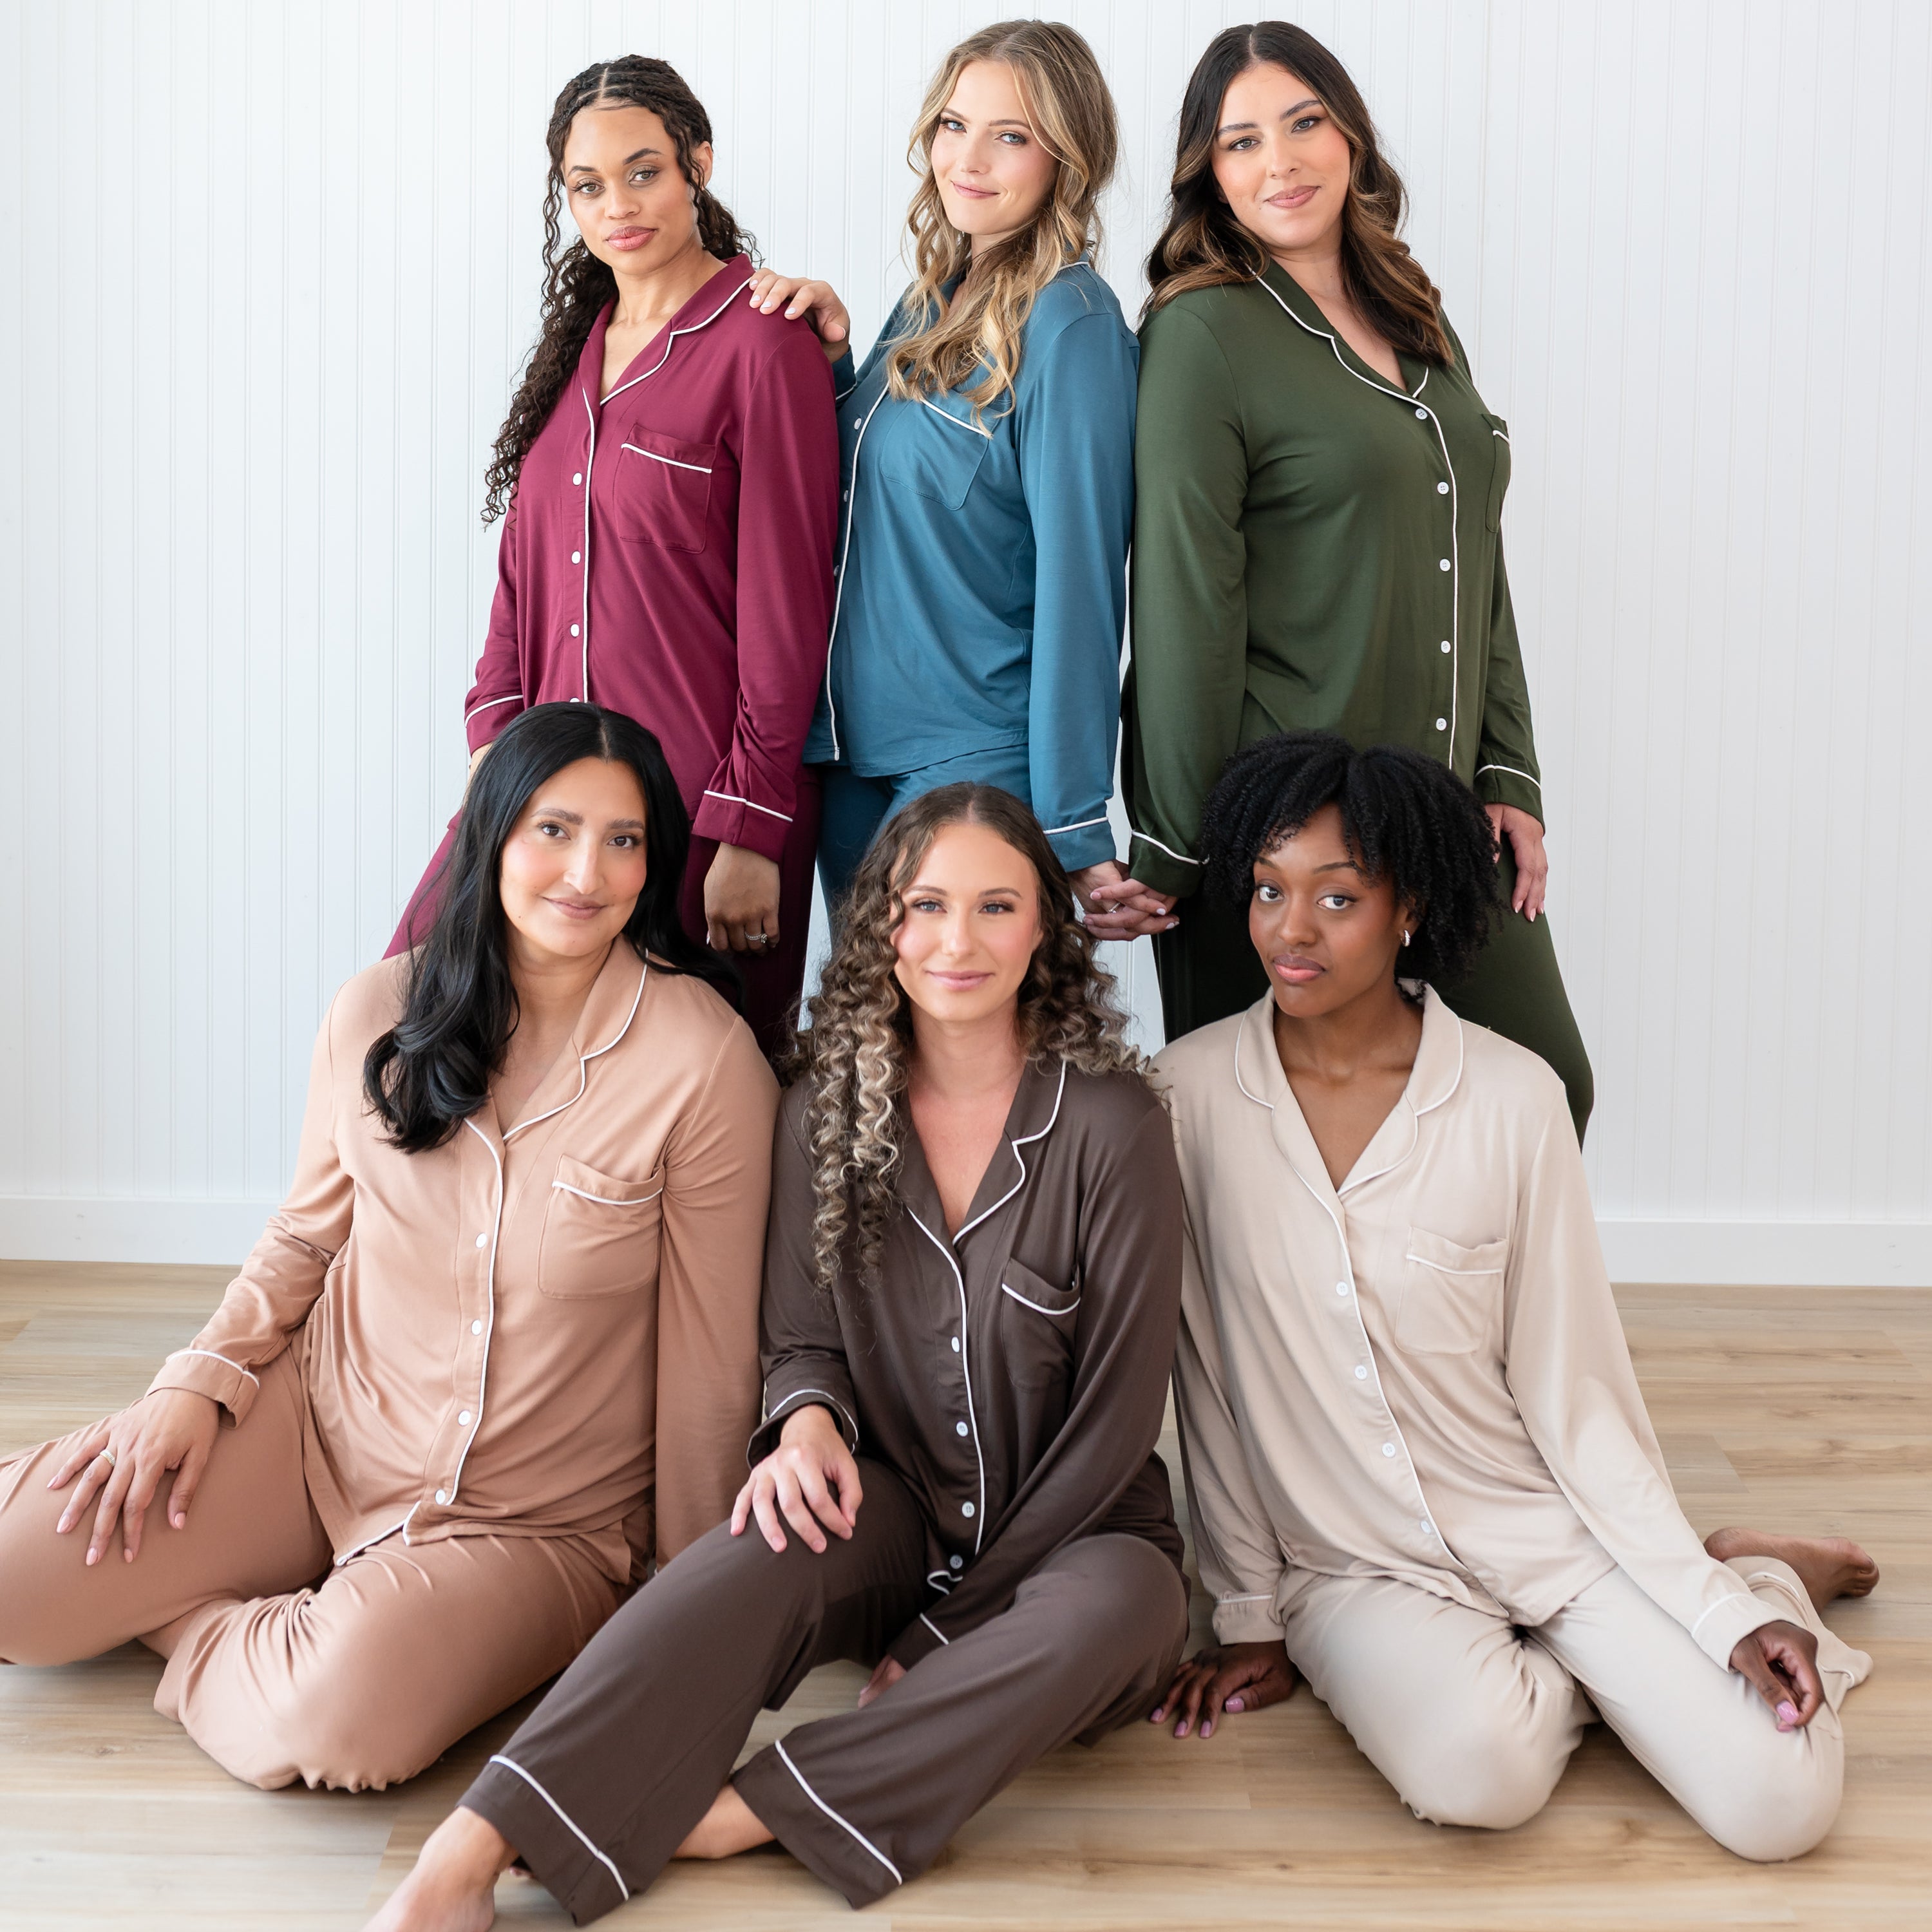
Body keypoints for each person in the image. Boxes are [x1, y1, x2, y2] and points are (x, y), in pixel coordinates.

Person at [368, 784, 1189, 1927]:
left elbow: (1115, 1422)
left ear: (1046, 930)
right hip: (895, 1503)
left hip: (1082, 1541)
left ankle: (745, 1814)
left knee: (1127, 1609)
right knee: (752, 1540)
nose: (958, 943)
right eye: (927, 907)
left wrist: (955, 1628)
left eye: (997, 908)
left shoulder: (1115, 1126)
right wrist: (803, 1424)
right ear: (881, 930)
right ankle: (474, 1843)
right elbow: (802, 1338)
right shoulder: (818, 1108)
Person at [0, 703, 777, 1792]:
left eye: (624, 839)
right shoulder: (379, 1010)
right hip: (318, 1437)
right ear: (491, 833)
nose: (585, 872)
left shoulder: (705, 1063)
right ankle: (270, 1611)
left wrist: (692, 1625)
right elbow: (304, 1236)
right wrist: (193, 1383)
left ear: (654, 865)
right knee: (12, 1586)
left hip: (531, 1529)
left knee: (341, 1724)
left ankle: (191, 1630)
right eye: (553, 830)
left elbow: (708, 1368)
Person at [1150, 730, 1876, 1861]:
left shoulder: (1512, 1099)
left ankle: (1754, 1576)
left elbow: (1577, 1391)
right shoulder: (1185, 1099)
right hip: (1353, 1567)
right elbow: (1206, 1376)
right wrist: (1247, 1610)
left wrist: (1710, 1611)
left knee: (1782, 1804)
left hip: (1551, 1531)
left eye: (1336, 899)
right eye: (1267, 891)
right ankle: (1648, 1647)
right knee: (1478, 1774)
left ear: (1410, 909)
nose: (1289, 933)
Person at [1119, 21, 1591, 1136]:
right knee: (1259, 1135)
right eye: (1240, 143)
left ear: (1351, 138)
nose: (1278, 162)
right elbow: (1186, 603)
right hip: (1282, 828)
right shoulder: (1202, 335)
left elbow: (1480, 560)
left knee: (1538, 1086)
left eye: (1303, 123)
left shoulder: (1418, 320)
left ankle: (1449, 1321)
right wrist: (1182, 850)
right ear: (1209, 175)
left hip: (1435, 809)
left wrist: (1508, 774)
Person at [389, 56, 839, 1056]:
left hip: (699, 808)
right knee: (412, 1019)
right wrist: (491, 751)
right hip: (545, 796)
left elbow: (788, 611)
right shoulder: (574, 354)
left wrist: (750, 830)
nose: (617, 205)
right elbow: (521, 583)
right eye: (587, 185)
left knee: (689, 1096)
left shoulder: (766, 347)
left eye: (643, 171)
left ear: (699, 167)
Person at [742, 21, 1144, 923]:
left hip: (975, 766)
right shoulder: (930, 295)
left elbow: (1085, 584)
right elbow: (866, 489)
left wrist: (1076, 825)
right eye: (954, 124)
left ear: (1066, 162)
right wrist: (835, 364)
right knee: (868, 1050)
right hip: (846, 753)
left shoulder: (1072, 326)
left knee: (966, 1051)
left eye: (1012, 136)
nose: (969, 158)